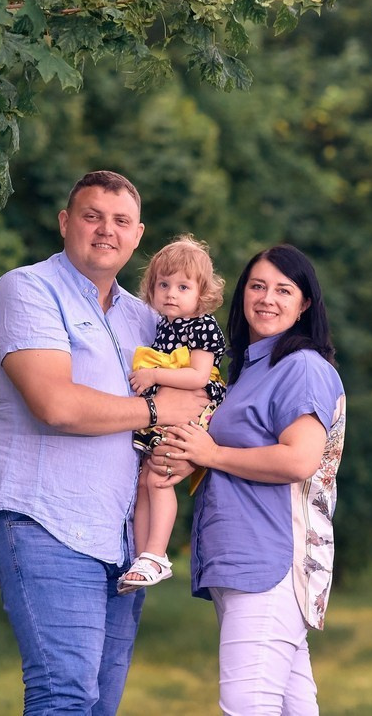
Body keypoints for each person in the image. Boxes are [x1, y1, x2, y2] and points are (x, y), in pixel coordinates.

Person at [0, 170, 210, 714]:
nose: (107, 230)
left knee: (100, 704)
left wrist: (185, 447)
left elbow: (196, 393)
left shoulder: (146, 318)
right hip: (45, 520)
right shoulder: (27, 289)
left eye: (121, 221)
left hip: (122, 536)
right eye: (92, 216)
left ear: (137, 235)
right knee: (65, 696)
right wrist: (158, 409)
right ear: (65, 223)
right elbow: (56, 405)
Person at [155, 244, 346, 715]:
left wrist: (213, 454)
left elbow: (299, 459)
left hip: (270, 560)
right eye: (258, 286)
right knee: (291, 707)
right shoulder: (249, 369)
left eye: (284, 290)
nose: (267, 298)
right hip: (241, 559)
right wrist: (195, 458)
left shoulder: (301, 366)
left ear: (305, 304)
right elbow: (231, 449)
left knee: (247, 705)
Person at [119, 235, 228, 594]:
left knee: (159, 479)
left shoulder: (202, 325)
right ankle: (142, 558)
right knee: (143, 482)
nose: (171, 294)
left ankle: (157, 555)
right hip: (167, 410)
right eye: (163, 285)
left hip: (194, 411)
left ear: (202, 293)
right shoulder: (164, 325)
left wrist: (153, 376)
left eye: (183, 287)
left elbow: (198, 376)